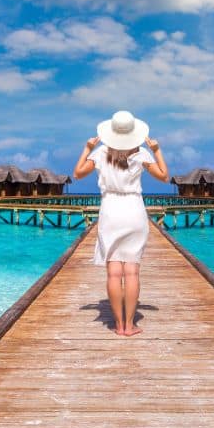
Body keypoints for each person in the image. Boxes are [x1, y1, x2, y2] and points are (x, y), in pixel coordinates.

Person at [72, 110, 169, 337]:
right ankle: (130, 325)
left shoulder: (101, 152)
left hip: (111, 210)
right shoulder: (142, 153)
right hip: (134, 209)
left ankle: (119, 326)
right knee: (132, 271)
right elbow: (164, 176)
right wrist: (157, 151)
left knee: (114, 272)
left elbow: (77, 174)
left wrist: (87, 148)